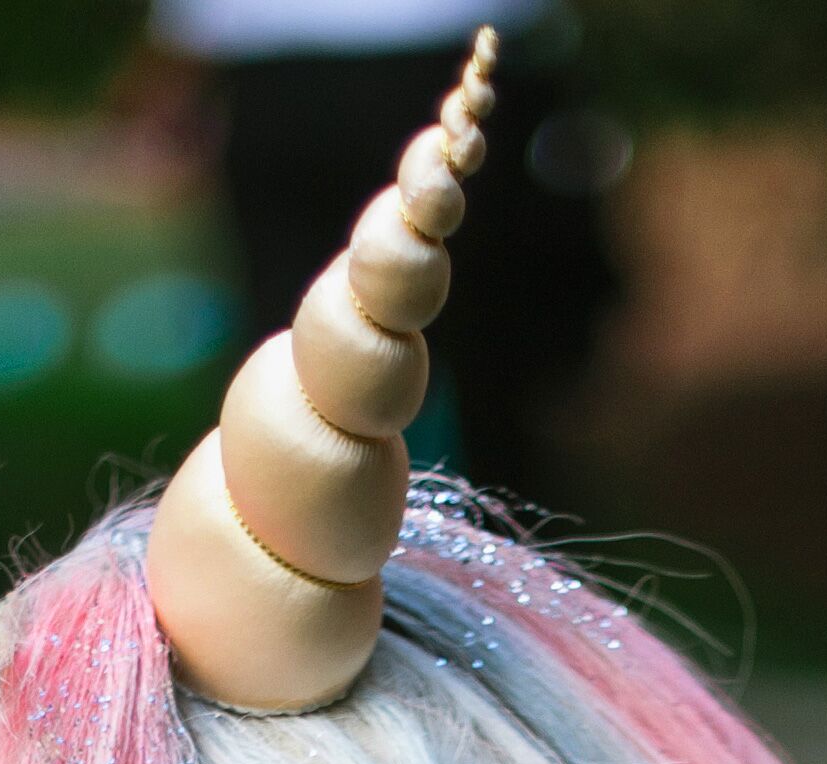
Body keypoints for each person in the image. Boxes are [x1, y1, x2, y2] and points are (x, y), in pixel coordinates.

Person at [146, 0, 620, 503]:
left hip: (285, 65)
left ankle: (287, 529)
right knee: (475, 334)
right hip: (444, 51)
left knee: (295, 329)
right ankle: (491, 533)